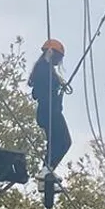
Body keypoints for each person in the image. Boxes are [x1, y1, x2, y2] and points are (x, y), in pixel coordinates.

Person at [28, 38, 72, 187]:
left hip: (48, 111)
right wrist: (48, 57)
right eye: (56, 57)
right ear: (50, 52)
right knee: (65, 141)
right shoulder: (42, 67)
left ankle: (45, 174)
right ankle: (47, 170)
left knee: (55, 143)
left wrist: (59, 82)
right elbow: (39, 84)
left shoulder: (47, 70)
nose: (57, 61)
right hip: (49, 111)